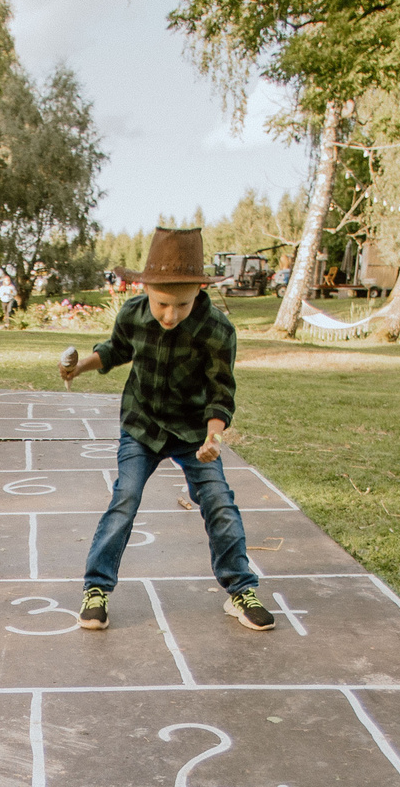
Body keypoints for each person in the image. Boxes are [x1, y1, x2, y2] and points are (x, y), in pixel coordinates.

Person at [56, 225, 272, 634]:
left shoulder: (218, 330)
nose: (170, 315)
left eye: (182, 305)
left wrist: (213, 437)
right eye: (161, 304)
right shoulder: (134, 314)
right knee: (126, 497)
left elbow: (221, 393)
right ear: (145, 290)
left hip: (194, 433)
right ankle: (96, 589)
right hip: (142, 425)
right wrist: (80, 367)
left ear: (199, 293)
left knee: (219, 501)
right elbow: (116, 350)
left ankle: (241, 589)